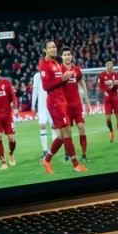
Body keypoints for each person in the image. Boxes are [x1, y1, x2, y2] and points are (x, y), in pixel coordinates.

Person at [38, 40, 88, 174]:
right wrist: (63, 79)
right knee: (67, 132)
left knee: (61, 136)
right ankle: (76, 164)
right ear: (45, 50)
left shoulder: (56, 63)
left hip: (62, 101)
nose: (53, 49)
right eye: (50, 47)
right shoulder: (44, 64)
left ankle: (47, 159)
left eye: (54, 47)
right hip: (54, 101)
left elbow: (62, 83)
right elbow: (45, 86)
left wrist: (66, 79)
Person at [61, 47, 91, 163]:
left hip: (77, 104)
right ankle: (67, 152)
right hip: (65, 106)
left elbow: (83, 84)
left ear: (71, 56)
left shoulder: (77, 70)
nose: (67, 56)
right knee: (66, 131)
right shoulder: (59, 70)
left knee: (82, 128)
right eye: (65, 55)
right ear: (62, 57)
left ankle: (84, 155)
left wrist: (87, 102)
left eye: (69, 54)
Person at [31, 70, 56, 159]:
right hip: (42, 106)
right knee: (42, 126)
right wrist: (33, 104)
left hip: (52, 104)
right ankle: (45, 151)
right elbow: (35, 90)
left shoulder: (52, 74)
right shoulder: (37, 76)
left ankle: (53, 151)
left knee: (54, 126)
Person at [97, 60, 118, 143]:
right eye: (108, 64)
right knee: (108, 118)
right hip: (107, 99)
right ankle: (111, 131)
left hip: (114, 97)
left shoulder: (115, 74)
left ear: (112, 66)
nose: (109, 66)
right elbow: (100, 86)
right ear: (106, 66)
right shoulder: (102, 75)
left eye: (111, 64)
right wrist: (104, 91)